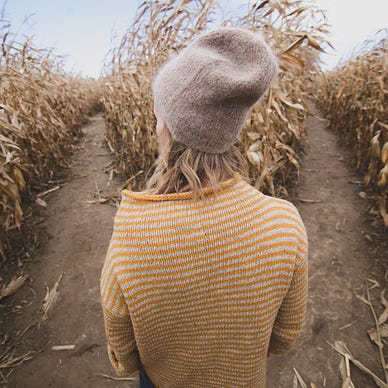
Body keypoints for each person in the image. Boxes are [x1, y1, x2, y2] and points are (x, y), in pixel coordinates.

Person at [100, 27, 308, 388]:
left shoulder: (132, 238)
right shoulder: (285, 224)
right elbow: (284, 337)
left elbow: (125, 355)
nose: (154, 123)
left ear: (168, 127)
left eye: (157, 114)